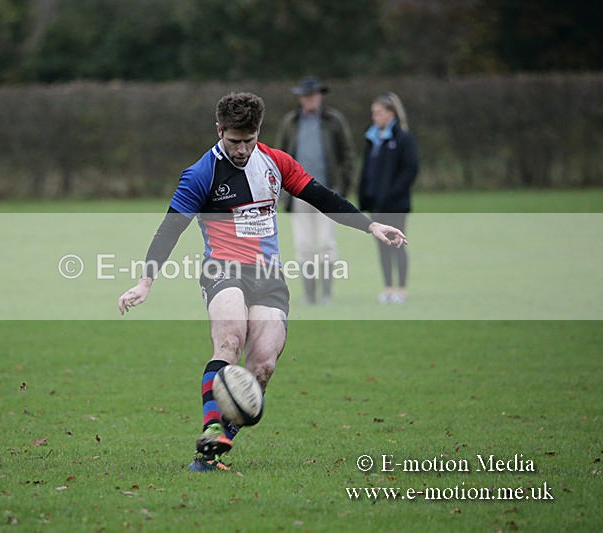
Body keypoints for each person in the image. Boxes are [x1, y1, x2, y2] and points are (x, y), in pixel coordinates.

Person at [117, 92, 406, 472]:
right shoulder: (201, 173)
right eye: (234, 141)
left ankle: (212, 453)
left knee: (264, 365)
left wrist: (370, 225)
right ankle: (212, 427)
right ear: (219, 130)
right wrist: (145, 282)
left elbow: (321, 196)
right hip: (223, 269)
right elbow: (170, 228)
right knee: (231, 338)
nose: (241, 149)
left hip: (268, 275)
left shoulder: (275, 162)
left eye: (248, 141)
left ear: (259, 133)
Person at [276, 76, 354, 305]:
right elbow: (279, 158)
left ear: (320, 96)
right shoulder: (291, 122)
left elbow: (347, 155)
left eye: (313, 95)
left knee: (326, 244)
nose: (309, 99)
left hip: (326, 192)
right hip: (298, 195)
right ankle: (310, 295)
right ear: (300, 98)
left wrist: (343, 189)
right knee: (304, 246)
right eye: (305, 95)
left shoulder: (334, 121)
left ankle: (327, 294)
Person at [358, 92, 419, 304]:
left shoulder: (403, 138)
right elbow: (368, 170)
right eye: (373, 113)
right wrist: (365, 195)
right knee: (382, 245)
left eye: (379, 113)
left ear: (391, 113)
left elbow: (410, 170)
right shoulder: (373, 138)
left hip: (396, 204)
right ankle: (388, 288)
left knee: (397, 243)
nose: (375, 117)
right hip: (377, 204)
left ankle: (401, 289)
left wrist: (392, 194)